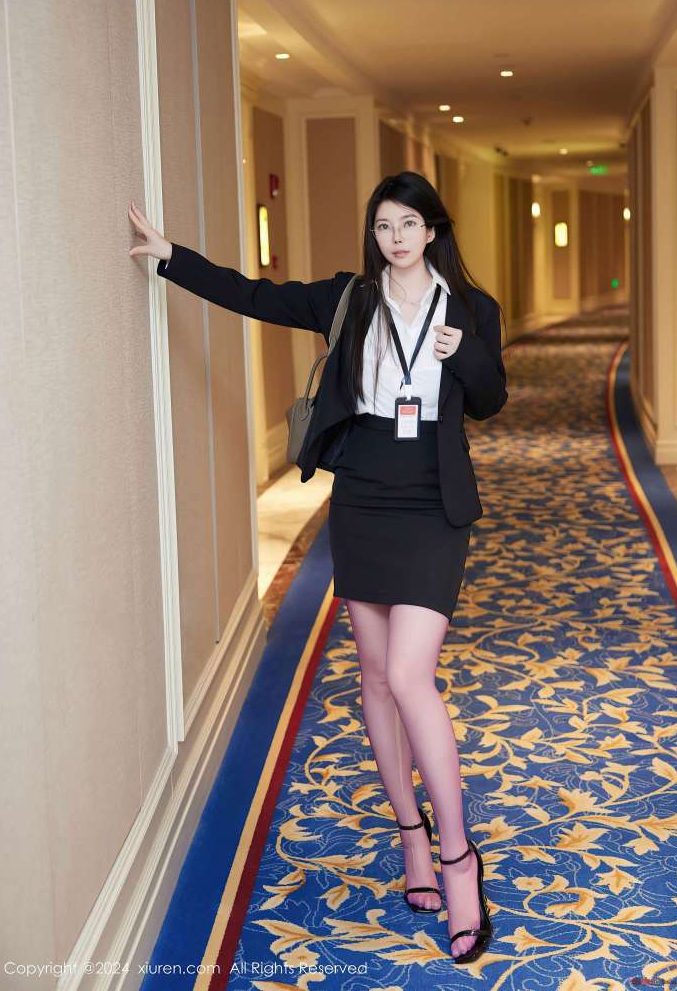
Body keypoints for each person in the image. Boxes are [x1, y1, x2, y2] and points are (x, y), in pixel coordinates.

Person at [127, 170, 507, 965]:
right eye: (384, 227)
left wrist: (464, 352)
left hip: (434, 504)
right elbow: (256, 297)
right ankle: (411, 835)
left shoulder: (471, 308)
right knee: (376, 680)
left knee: (409, 674)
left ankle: (458, 858)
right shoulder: (350, 300)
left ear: (433, 231)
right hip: (363, 496)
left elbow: (489, 399)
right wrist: (169, 258)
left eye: (409, 225)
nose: (395, 239)